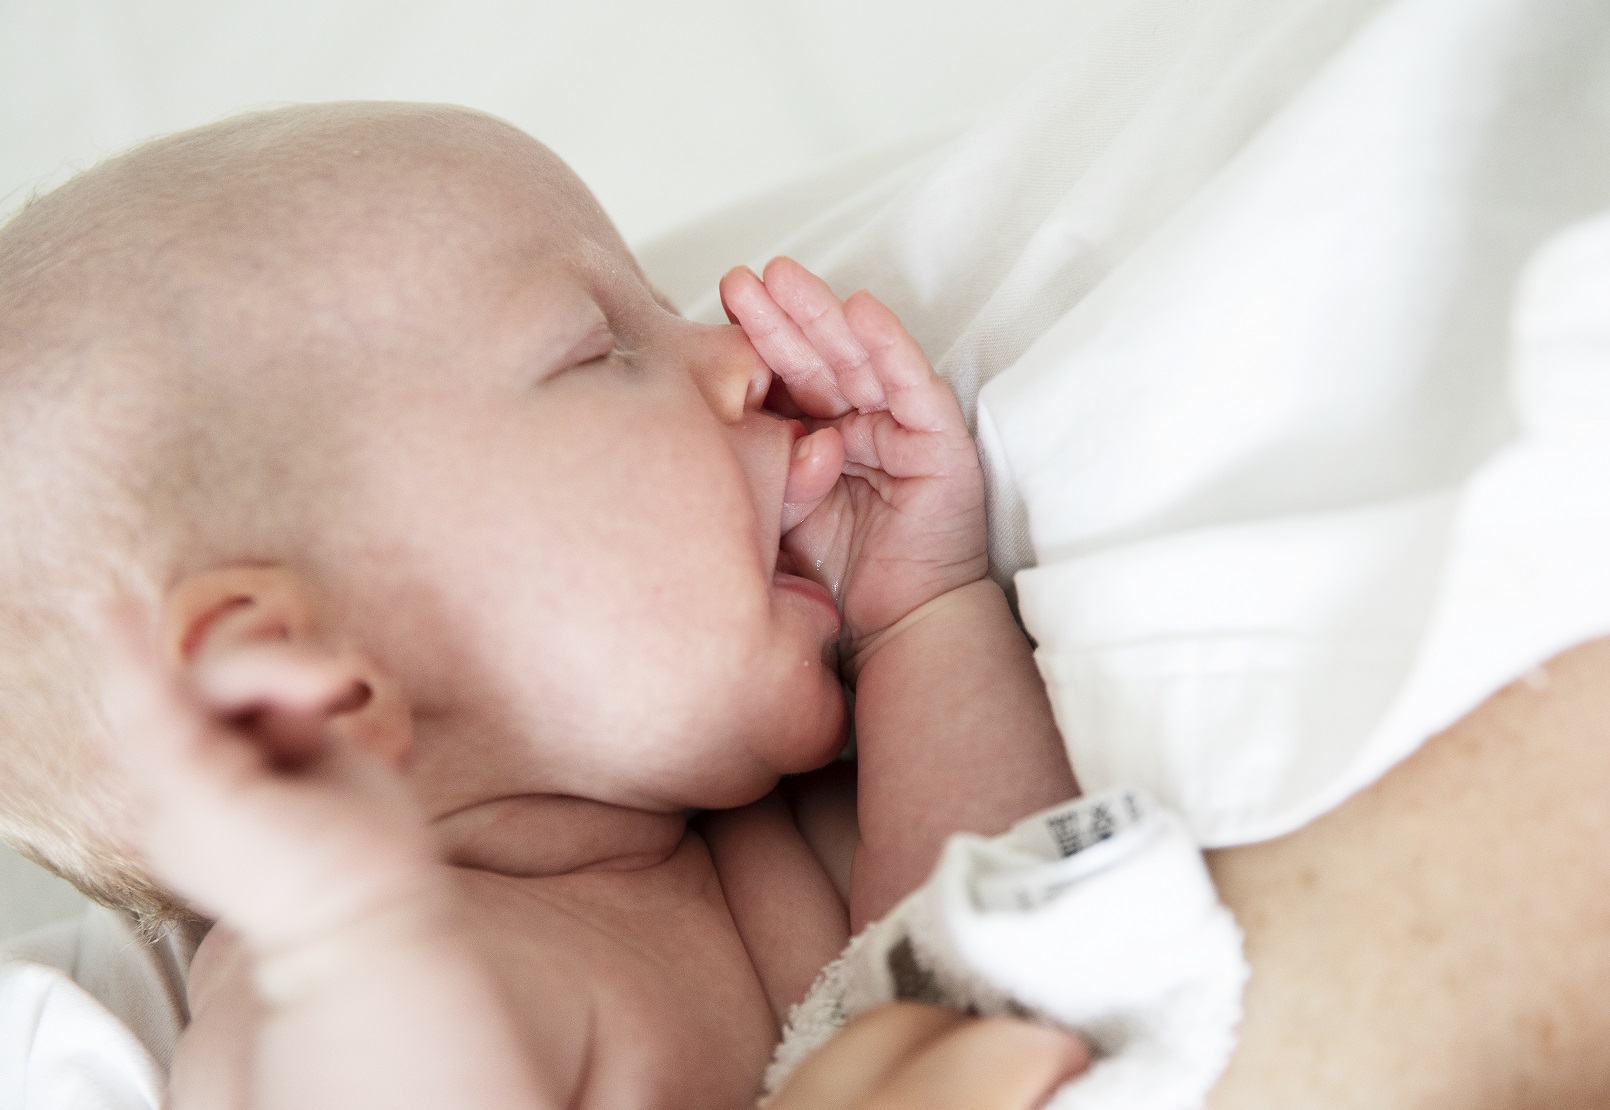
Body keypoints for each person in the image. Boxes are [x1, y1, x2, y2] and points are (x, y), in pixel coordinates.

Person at [0, 100, 1088, 1108]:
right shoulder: (336, 998)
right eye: (601, 349)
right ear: (298, 681)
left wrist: (920, 615)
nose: (739, 356)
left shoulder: (725, 834)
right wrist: (344, 927)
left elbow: (1010, 941)